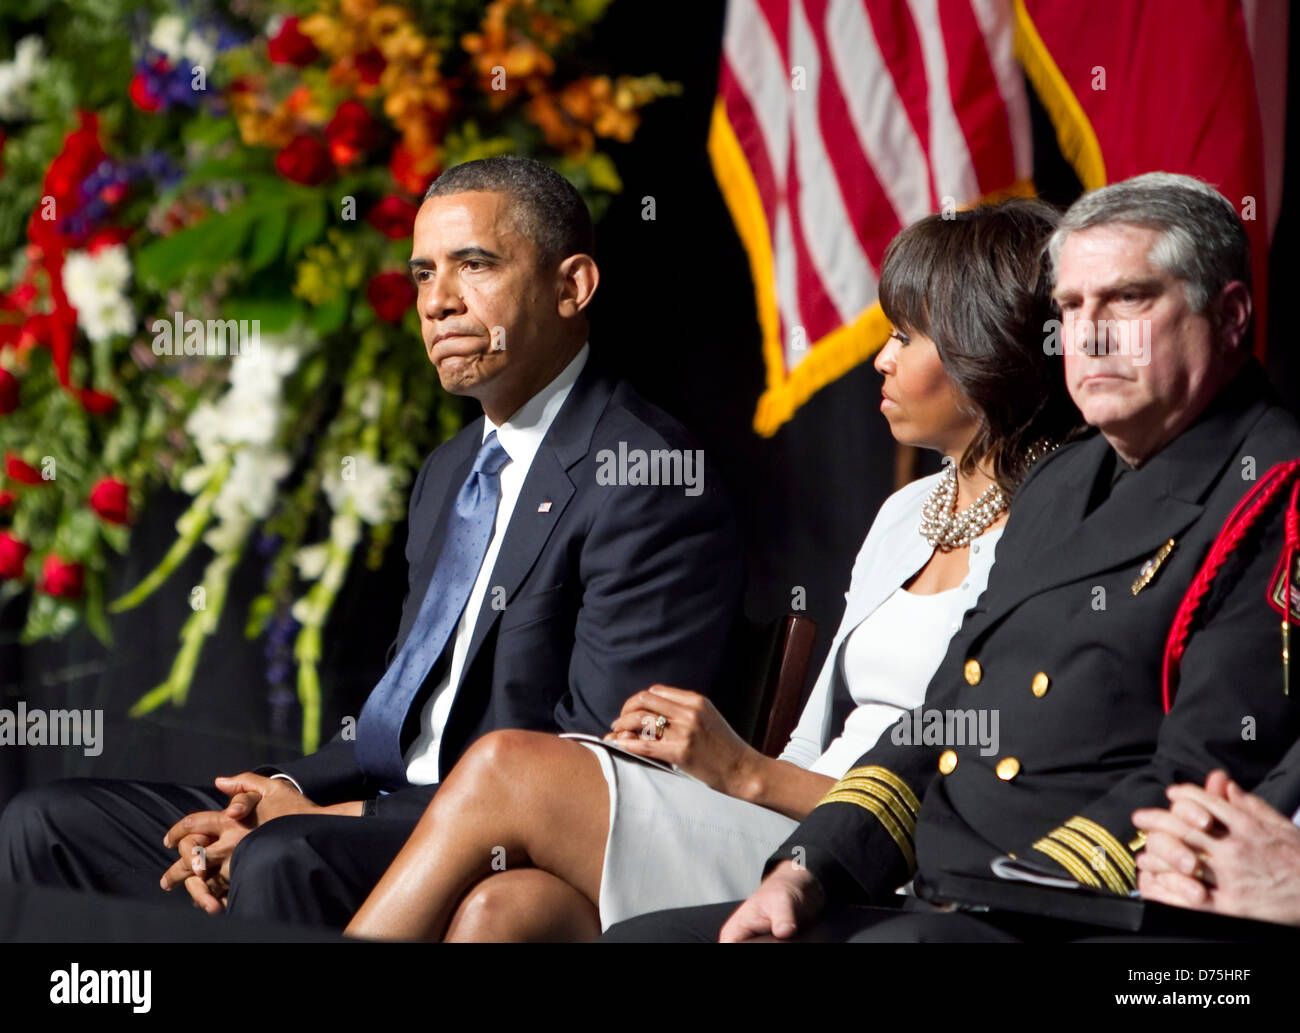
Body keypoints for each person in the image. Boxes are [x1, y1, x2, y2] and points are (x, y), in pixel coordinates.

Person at [0, 156, 746, 929]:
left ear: (572, 286)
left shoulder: (647, 477)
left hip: (490, 838)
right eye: (424, 274)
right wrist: (273, 791)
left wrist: (330, 818)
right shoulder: (452, 469)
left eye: (475, 265)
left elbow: (594, 771)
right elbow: (399, 713)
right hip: (376, 807)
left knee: (282, 856)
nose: (438, 302)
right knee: (49, 825)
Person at [343, 197, 1084, 941]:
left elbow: (979, 790)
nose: (880, 358)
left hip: (875, 855)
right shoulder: (906, 511)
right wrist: (735, 774)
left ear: (986, 348)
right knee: (505, 908)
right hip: (788, 820)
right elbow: (811, 743)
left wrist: (741, 769)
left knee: (505, 764)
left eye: (904, 335)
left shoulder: (1064, 530)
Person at [603, 171, 1300, 944]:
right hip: (943, 887)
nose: (1090, 335)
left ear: (1231, 315)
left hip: (1083, 912)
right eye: (1071, 308)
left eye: (1127, 300)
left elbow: (1205, 776)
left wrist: (998, 885)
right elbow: (944, 717)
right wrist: (809, 868)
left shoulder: (1274, 489)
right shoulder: (1062, 480)